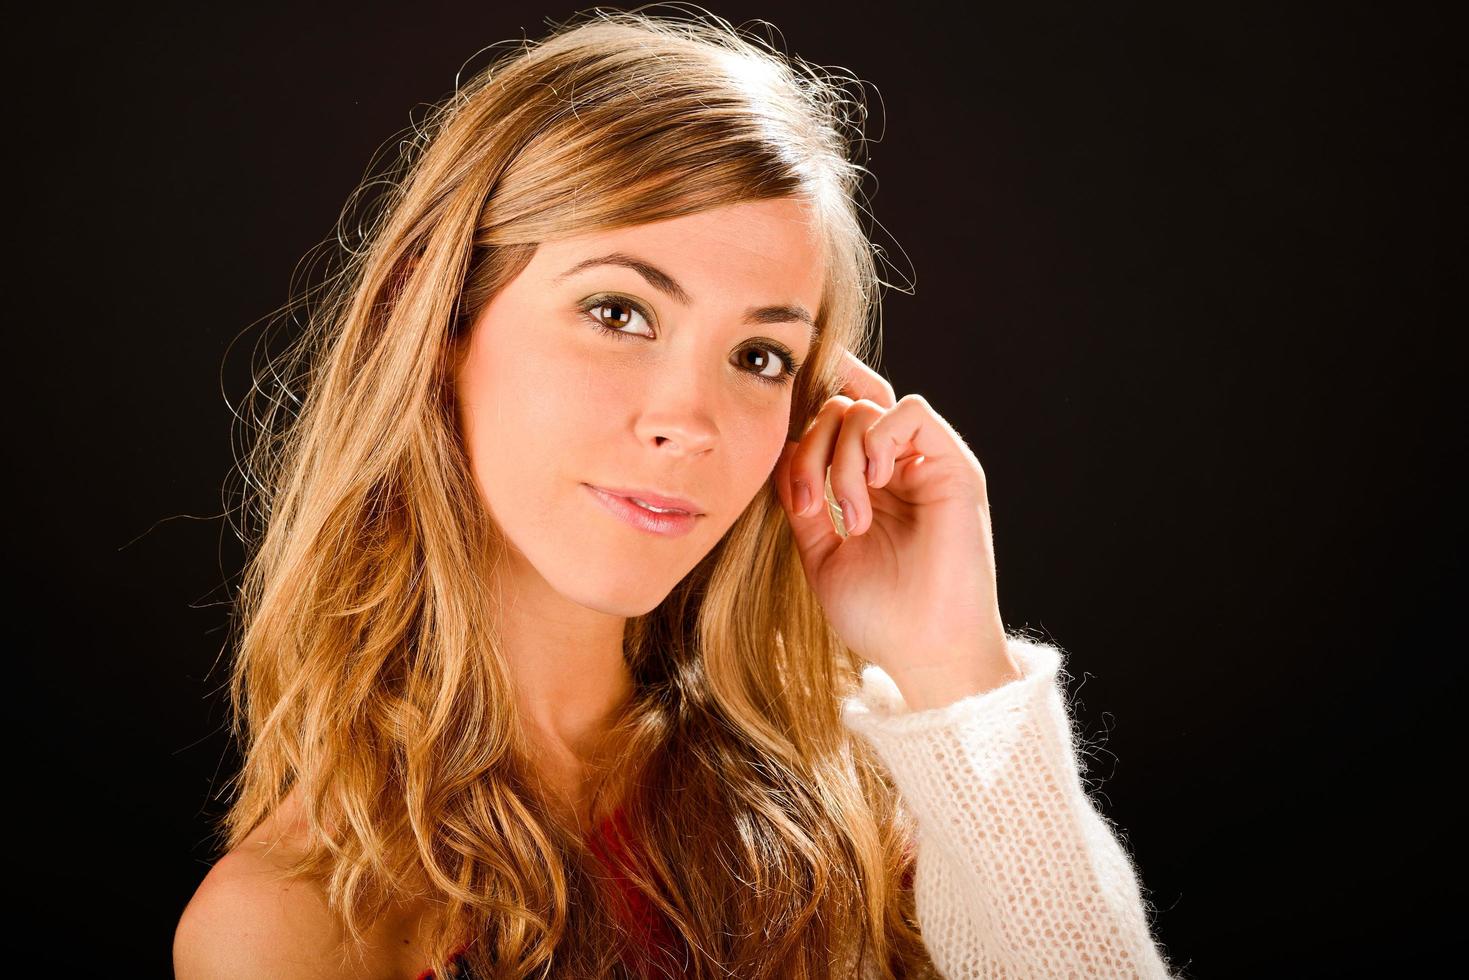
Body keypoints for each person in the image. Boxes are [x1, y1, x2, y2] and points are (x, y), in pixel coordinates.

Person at [173, 7, 1182, 979]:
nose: (689, 419)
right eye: (618, 310)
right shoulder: (300, 923)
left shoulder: (880, 783)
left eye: (757, 354)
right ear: (439, 324)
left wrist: (953, 664)